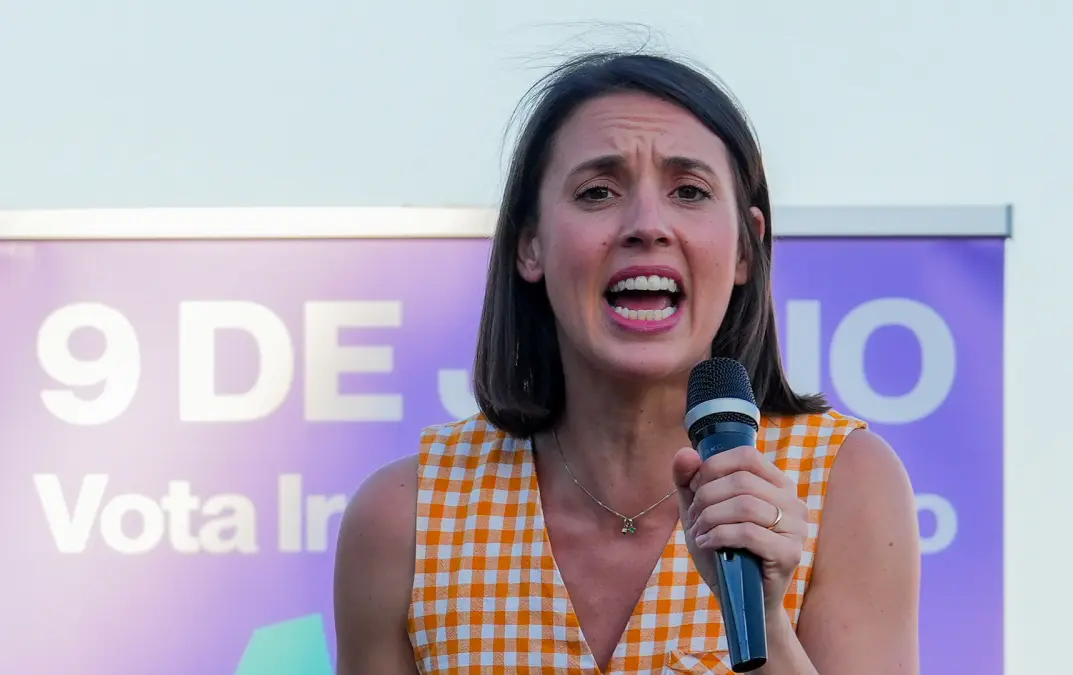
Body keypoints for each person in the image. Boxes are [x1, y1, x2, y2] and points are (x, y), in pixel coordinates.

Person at [333, 50, 920, 675]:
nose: (647, 225)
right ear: (530, 244)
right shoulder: (405, 517)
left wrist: (768, 623)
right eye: (598, 192)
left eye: (689, 191)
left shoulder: (845, 483)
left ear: (746, 248)